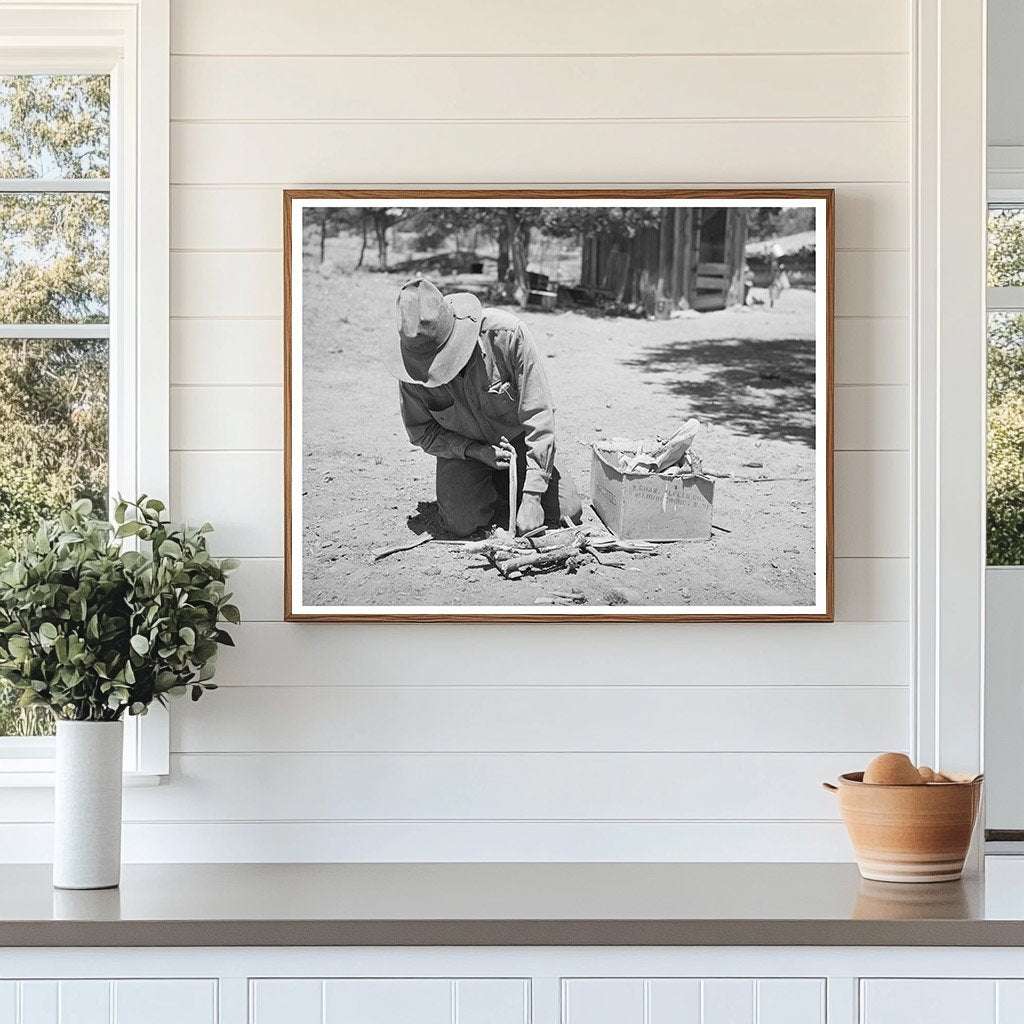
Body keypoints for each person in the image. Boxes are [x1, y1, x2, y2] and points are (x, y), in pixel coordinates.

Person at [382, 278, 582, 538]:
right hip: (464, 452)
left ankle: (513, 482)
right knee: (461, 524)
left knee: (569, 512)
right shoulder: (412, 370)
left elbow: (539, 416)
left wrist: (532, 497)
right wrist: (475, 452)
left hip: (517, 442)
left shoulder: (508, 336)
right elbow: (421, 433)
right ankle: (491, 486)